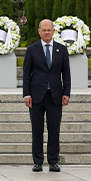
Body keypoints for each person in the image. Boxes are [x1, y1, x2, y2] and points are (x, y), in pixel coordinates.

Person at [23, 19, 71, 172]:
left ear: (53, 31)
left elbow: (66, 74)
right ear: (39, 31)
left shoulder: (61, 50)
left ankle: (53, 161)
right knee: (37, 130)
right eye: (43, 30)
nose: (46, 32)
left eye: (49, 30)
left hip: (55, 96)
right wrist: (27, 94)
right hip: (36, 96)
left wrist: (66, 93)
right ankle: (38, 161)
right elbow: (26, 74)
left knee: (54, 130)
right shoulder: (32, 49)